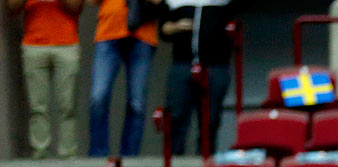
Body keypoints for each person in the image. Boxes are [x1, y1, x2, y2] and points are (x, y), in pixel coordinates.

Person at [157, 0, 238, 155]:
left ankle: (205, 164)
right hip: (182, 62)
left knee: (210, 120)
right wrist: (178, 26)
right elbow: (163, 30)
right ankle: (174, 166)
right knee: (176, 117)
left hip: (215, 65)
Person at [11, 0, 82, 158]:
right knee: (37, 107)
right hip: (34, 45)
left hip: (67, 44)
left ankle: (68, 155)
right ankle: (40, 154)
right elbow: (11, 8)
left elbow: (76, 7)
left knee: (67, 106)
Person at [87, 0, 156, 157]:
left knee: (137, 103)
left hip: (142, 32)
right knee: (99, 97)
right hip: (108, 29)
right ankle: (99, 157)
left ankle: (130, 159)